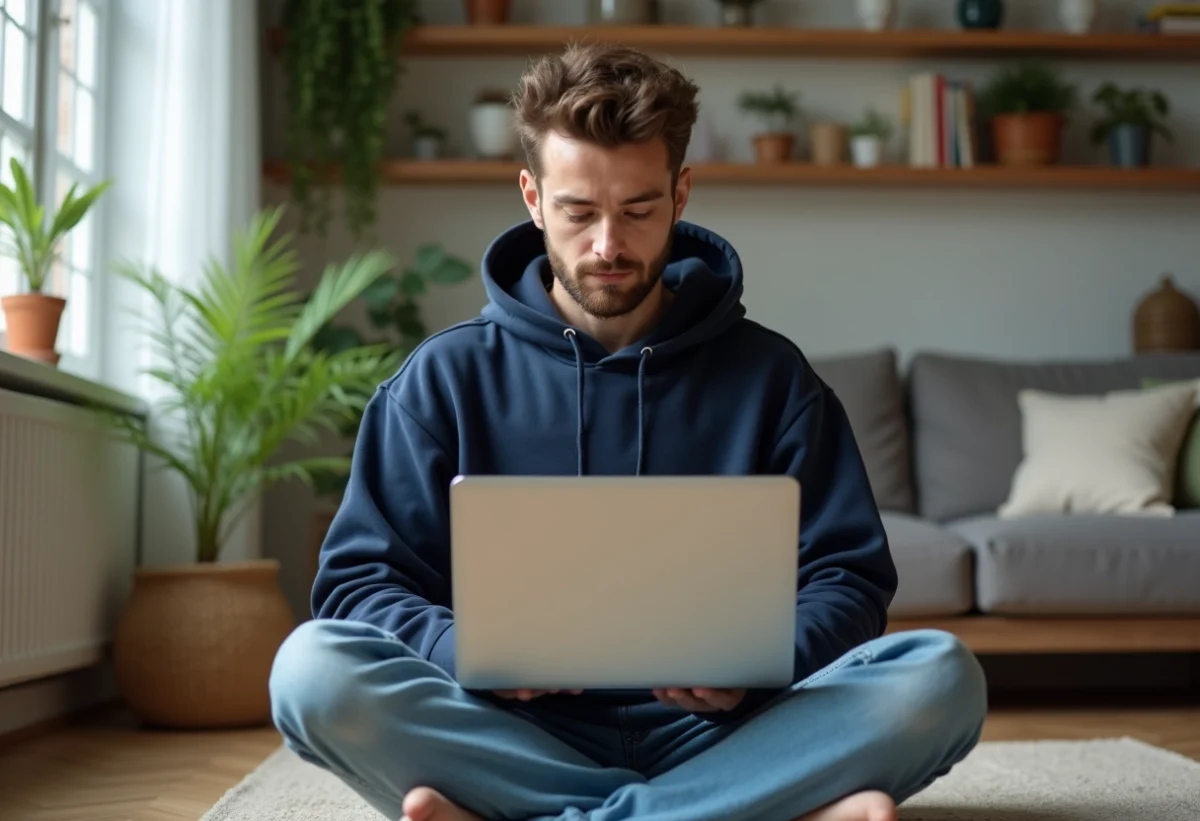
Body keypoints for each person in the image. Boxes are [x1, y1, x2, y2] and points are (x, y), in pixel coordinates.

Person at [269, 42, 987, 821]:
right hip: (509, 729)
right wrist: (465, 652)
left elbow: (848, 579)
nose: (608, 245)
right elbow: (357, 587)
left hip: (726, 729)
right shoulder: (441, 381)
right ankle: (736, 812)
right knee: (310, 672)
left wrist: (760, 663)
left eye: (638, 210)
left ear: (681, 195)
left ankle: (548, 814)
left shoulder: (774, 379)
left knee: (941, 677)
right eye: (579, 211)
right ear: (532, 197)